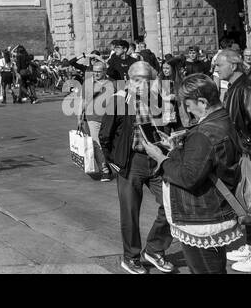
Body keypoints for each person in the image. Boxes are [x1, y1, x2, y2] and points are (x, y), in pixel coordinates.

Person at [142, 74, 243, 274]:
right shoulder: (222, 119)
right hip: (215, 208)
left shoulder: (203, 133)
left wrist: (162, 159)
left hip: (202, 214)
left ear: (203, 102)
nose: (187, 110)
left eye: (188, 105)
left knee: (204, 268)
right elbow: (206, 161)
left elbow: (189, 177)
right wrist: (175, 149)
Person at [99, 61, 176, 273]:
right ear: (130, 80)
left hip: (157, 160)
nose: (143, 84)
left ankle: (154, 249)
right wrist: (113, 162)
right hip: (131, 162)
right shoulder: (119, 101)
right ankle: (131, 257)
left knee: (172, 205)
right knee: (130, 213)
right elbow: (104, 135)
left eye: (147, 80)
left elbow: (169, 126)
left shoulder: (158, 99)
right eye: (138, 80)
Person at [214, 47, 251, 273]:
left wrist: (249, 154)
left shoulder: (247, 87)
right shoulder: (235, 87)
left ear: (234, 64)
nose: (216, 69)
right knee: (248, 204)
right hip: (243, 154)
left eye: (220, 65)